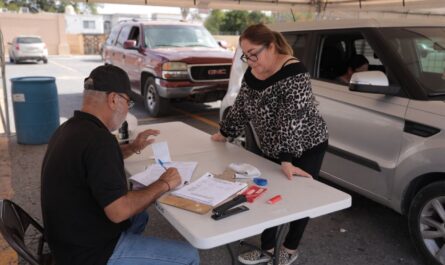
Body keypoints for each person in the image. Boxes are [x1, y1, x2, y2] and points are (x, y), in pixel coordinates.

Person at [41, 64, 199, 265]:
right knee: (189, 256)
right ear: (114, 99)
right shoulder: (99, 140)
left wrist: (132, 147)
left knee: (140, 216)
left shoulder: (70, 129)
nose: (127, 110)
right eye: (128, 102)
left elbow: (93, 163)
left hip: (66, 238)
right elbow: (119, 211)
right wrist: (163, 183)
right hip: (87, 254)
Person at [211, 24, 329, 265]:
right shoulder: (252, 73)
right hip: (274, 148)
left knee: (299, 198)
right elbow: (242, 107)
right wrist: (224, 132)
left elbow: (292, 117)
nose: (250, 60)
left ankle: (289, 248)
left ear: (271, 46)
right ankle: (267, 249)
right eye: (246, 55)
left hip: (306, 146)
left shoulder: (294, 72)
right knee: (269, 195)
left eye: (254, 53)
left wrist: (286, 158)